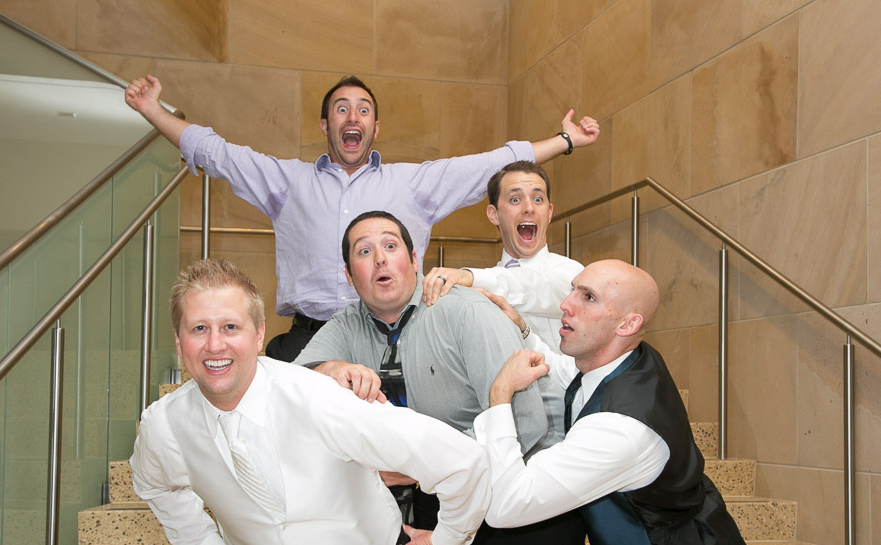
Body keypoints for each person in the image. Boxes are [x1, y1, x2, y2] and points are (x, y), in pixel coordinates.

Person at [130, 258, 491, 545]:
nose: (215, 344)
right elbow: (158, 489)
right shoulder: (164, 425)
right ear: (180, 342)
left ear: (259, 335)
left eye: (230, 327)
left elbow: (463, 461)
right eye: (199, 328)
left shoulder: (320, 400)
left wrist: (445, 544)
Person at [289, 211, 584, 545]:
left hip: (520, 498)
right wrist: (330, 368)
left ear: (414, 259)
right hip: (436, 505)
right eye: (364, 252)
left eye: (390, 246)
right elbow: (291, 385)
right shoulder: (347, 324)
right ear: (350, 276)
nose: (380, 260)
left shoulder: (465, 311)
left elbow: (527, 423)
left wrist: (422, 467)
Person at [123, 75, 599, 362]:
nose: (353, 116)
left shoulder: (413, 183)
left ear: (375, 127)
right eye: (341, 109)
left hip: (397, 339)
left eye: (364, 109)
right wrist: (151, 109)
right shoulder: (287, 181)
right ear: (326, 125)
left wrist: (565, 141)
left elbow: (492, 164)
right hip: (310, 338)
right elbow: (216, 152)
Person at [473, 259, 754, 545]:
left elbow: (508, 505)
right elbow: (574, 379)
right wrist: (523, 331)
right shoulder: (619, 359)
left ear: (628, 324)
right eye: (573, 290)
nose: (565, 304)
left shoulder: (622, 427)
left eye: (588, 298)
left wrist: (499, 398)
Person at [422, 159, 583, 427]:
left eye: (538, 199)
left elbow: (529, 287)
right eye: (515, 199)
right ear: (494, 214)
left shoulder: (572, 274)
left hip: (563, 422)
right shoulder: (476, 290)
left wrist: (470, 277)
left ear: (549, 212)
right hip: (496, 421)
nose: (529, 208)